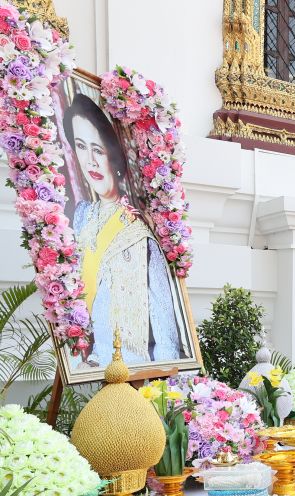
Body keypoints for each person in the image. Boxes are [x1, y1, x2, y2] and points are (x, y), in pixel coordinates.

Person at [63, 92, 183, 367]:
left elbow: (164, 330)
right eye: (81, 146)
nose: (90, 161)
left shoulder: (140, 231)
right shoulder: (80, 217)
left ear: (115, 155)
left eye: (98, 149)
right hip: (88, 369)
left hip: (133, 372)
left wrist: (165, 384)